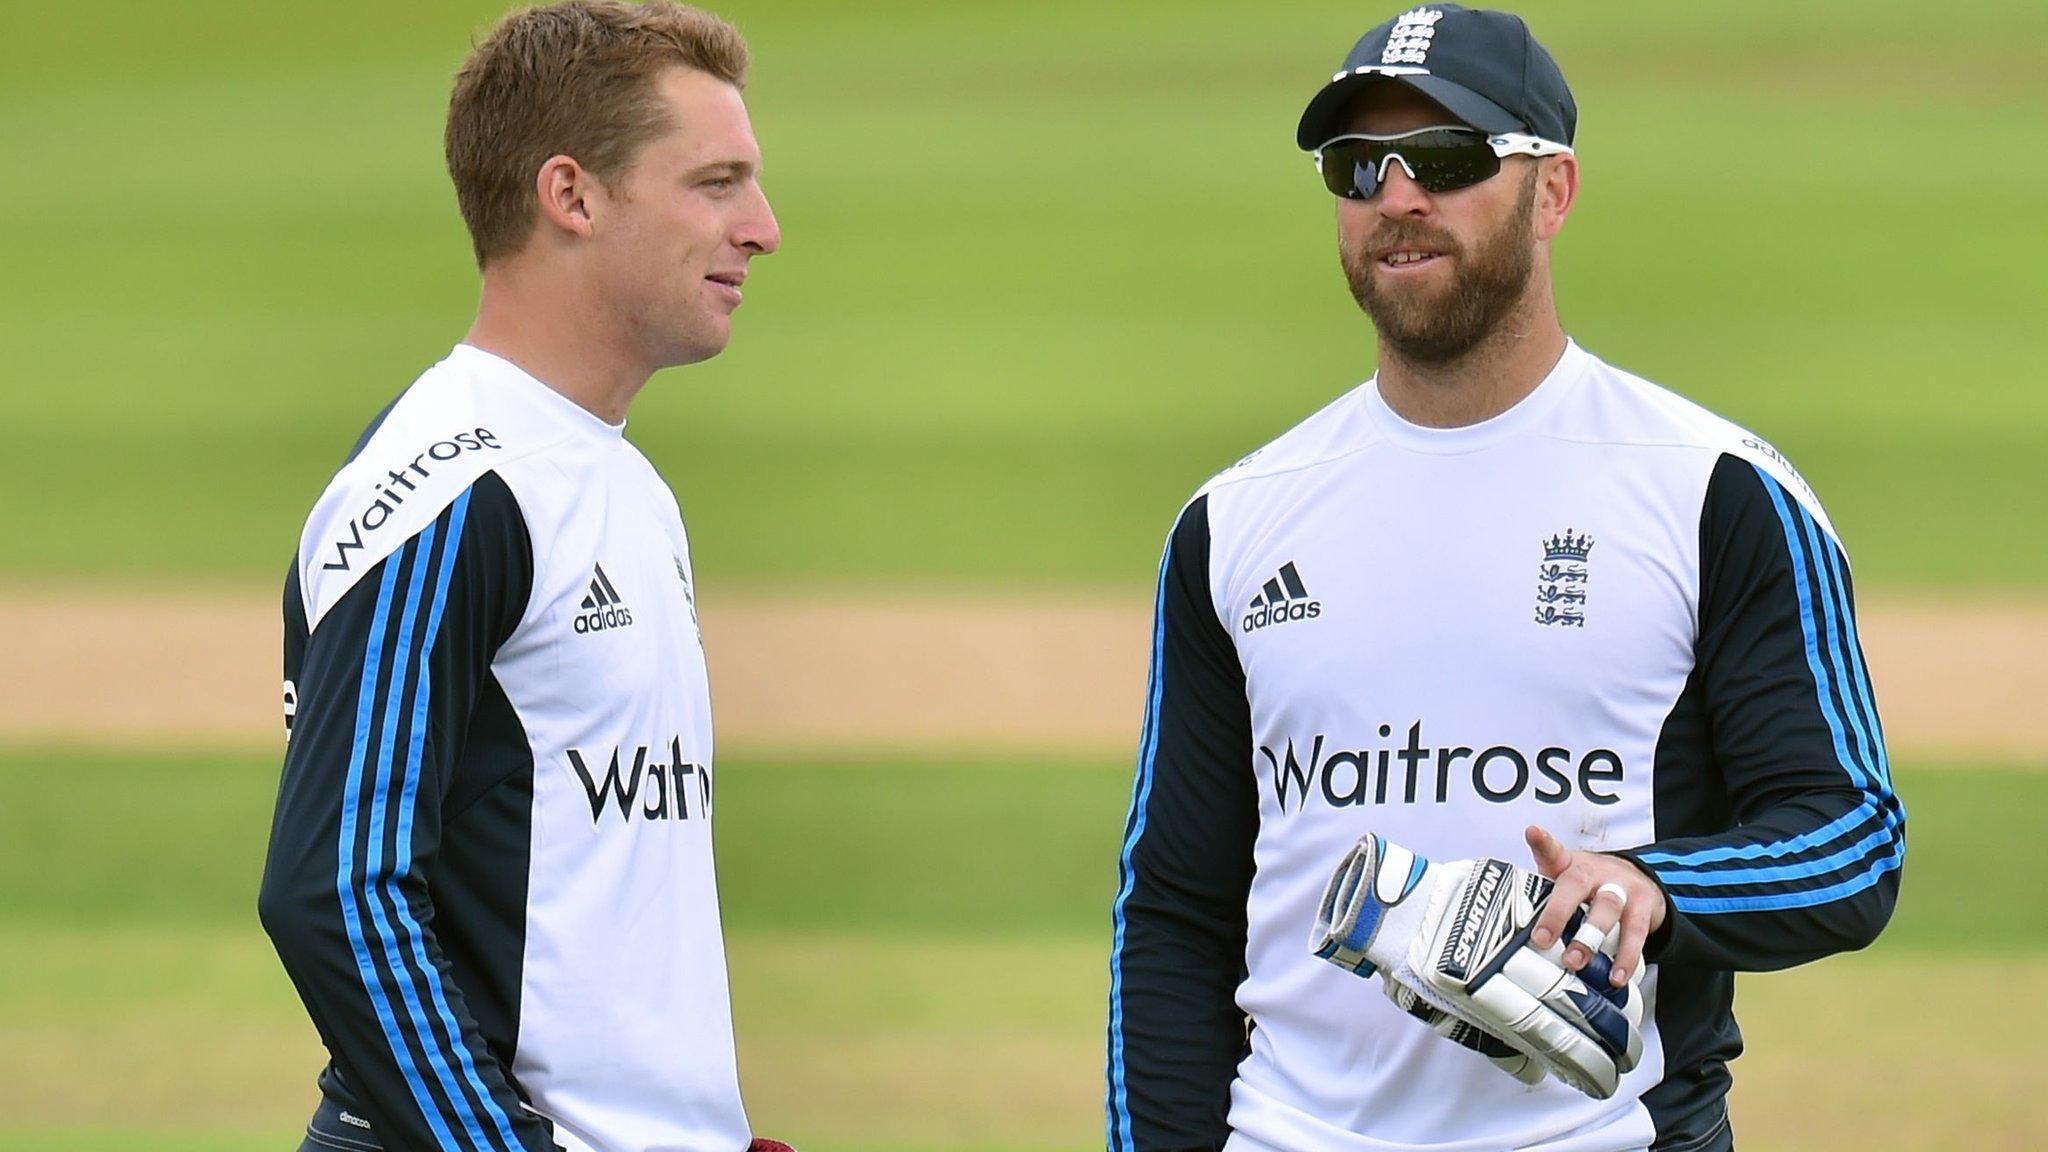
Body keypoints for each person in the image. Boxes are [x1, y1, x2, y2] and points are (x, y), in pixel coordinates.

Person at [1103, 6, 1904, 1151]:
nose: (1394, 198)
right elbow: (1175, 915)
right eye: (1356, 167)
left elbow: (1849, 838)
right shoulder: (1230, 522)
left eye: (1445, 159)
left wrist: (1648, 887)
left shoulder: (1716, 492)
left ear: (1555, 191)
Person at [256, 3, 793, 1150]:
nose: (763, 228)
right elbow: (338, 894)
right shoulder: (452, 493)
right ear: (573, 196)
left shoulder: (616, 478)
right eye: (715, 182)